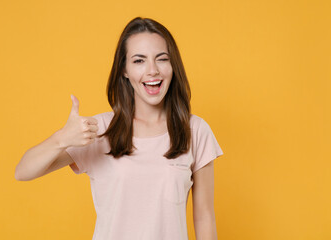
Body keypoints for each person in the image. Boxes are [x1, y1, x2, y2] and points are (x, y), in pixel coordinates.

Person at [15, 16, 223, 240]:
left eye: (162, 59)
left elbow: (204, 217)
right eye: (139, 61)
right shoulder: (101, 129)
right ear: (124, 69)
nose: (152, 70)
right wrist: (62, 139)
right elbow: (23, 172)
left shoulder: (195, 130)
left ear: (173, 66)